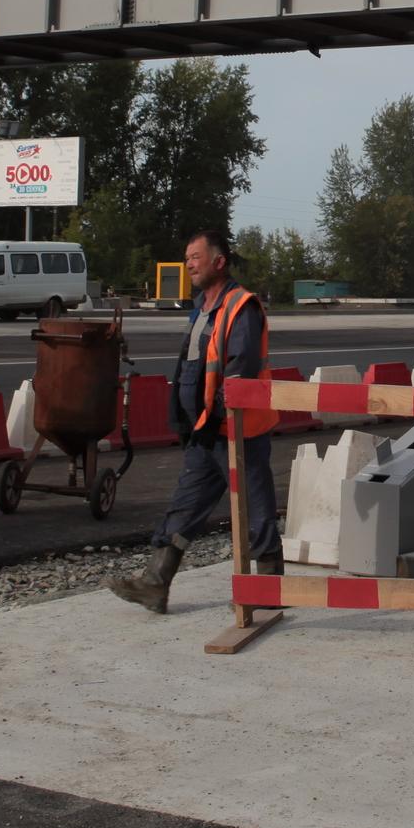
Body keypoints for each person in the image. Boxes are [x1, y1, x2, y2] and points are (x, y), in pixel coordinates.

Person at [109, 229, 282, 612]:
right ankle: (155, 583)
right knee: (186, 504)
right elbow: (193, 368)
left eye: (196, 257)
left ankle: (270, 588)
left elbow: (240, 371)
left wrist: (214, 416)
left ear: (219, 262)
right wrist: (190, 420)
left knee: (256, 506)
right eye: (187, 258)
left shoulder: (242, 307)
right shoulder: (202, 308)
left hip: (237, 429)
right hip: (206, 432)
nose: (189, 264)